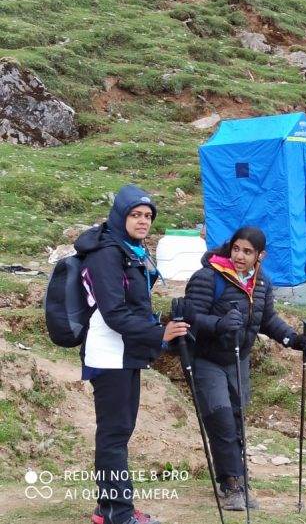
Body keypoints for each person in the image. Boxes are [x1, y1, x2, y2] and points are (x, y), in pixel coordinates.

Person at [75, 184, 189, 524]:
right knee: (113, 435)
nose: (143, 222)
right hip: (108, 355)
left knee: (119, 432)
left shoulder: (130, 249)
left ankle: (109, 507)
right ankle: (116, 514)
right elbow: (114, 314)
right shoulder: (107, 253)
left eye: (148, 216)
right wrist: (159, 333)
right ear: (120, 216)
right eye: (136, 215)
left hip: (126, 353)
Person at [183, 226, 306, 511]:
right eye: (236, 249)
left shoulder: (260, 283)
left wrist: (293, 339)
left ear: (260, 256)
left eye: (248, 252)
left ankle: (239, 480)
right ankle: (230, 485)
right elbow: (189, 317)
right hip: (207, 359)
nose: (240, 256)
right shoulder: (209, 277)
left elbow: (267, 320)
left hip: (238, 360)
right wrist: (218, 324)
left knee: (237, 421)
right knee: (222, 421)